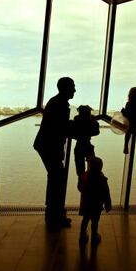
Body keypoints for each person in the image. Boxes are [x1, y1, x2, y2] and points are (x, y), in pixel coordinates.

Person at [34, 77, 76, 229]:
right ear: (65, 88)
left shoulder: (56, 102)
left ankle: (54, 214)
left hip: (47, 145)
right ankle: (54, 216)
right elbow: (61, 127)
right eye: (72, 87)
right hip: (50, 146)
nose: (74, 90)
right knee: (57, 179)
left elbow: (59, 126)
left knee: (55, 178)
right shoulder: (61, 104)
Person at [78, 156, 112, 246]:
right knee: (95, 222)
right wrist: (108, 204)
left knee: (85, 220)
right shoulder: (102, 179)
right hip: (97, 205)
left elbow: (80, 187)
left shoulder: (85, 177)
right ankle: (94, 237)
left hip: (86, 204)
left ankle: (82, 236)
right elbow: (106, 193)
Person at [72, 105, 100, 178]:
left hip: (79, 146)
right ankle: (90, 182)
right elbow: (96, 132)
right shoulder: (90, 121)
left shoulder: (77, 119)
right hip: (88, 146)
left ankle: (82, 182)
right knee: (93, 168)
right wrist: (94, 121)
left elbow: (73, 132)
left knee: (80, 170)